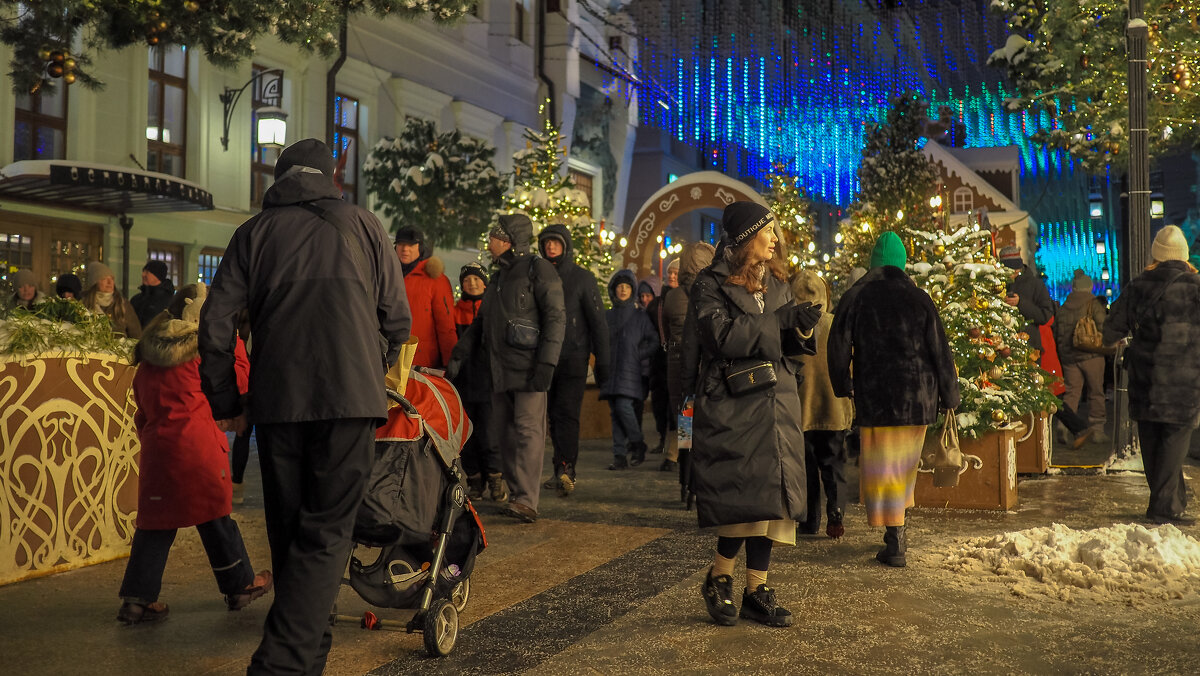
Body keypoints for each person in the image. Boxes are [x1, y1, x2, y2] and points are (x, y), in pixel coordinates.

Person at [198, 138, 411, 675]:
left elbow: (216, 325)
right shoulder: (365, 225)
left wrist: (226, 399)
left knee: (291, 532)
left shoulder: (253, 233)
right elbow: (396, 319)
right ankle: (281, 664)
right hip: (351, 402)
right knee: (326, 534)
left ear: (280, 179)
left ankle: (305, 661)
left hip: (278, 402)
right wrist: (370, 369)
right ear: (330, 177)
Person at [690, 201, 821, 628]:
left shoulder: (778, 282)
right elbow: (721, 336)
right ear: (746, 238)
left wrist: (801, 328)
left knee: (772, 503)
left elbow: (787, 346)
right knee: (743, 499)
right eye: (768, 231)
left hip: (777, 400)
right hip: (736, 403)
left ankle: (756, 590)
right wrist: (780, 321)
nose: (775, 239)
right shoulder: (709, 283)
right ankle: (719, 578)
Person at [117, 283, 272, 624]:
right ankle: (239, 586)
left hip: (158, 452)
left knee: (155, 525)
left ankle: (136, 601)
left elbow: (142, 409)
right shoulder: (205, 354)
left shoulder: (149, 359)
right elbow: (240, 383)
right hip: (199, 449)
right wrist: (236, 343)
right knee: (215, 517)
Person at [828, 232, 960, 568]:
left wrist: (843, 385)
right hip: (918, 397)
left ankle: (895, 538)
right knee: (903, 468)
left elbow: (838, 346)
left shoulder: (856, 297)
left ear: (873, 264)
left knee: (884, 470)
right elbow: (940, 349)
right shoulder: (919, 298)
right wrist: (949, 394)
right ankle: (897, 534)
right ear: (902, 265)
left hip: (877, 398)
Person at [447, 214, 565, 524]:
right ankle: (517, 495)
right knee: (505, 434)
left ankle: (526, 499)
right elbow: (481, 323)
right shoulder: (499, 278)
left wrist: (547, 362)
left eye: (494, 237)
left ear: (509, 240)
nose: (489, 242)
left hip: (529, 368)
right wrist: (460, 353)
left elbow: (555, 317)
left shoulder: (538, 269)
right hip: (499, 369)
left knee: (528, 431)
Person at [1102, 225, 1200, 526]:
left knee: (1152, 441)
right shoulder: (1196, 286)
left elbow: (1110, 331)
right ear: (1183, 254)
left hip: (1145, 379)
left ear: (1156, 253)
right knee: (1173, 443)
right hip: (1185, 382)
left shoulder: (1138, 285)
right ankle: (1164, 509)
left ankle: (1169, 503)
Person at [537, 224, 609, 495]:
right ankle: (560, 467)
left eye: (555, 242)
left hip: (573, 357)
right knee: (552, 416)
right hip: (545, 359)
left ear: (565, 245)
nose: (551, 246)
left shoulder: (582, 278)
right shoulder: (537, 276)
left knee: (566, 414)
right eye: (547, 242)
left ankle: (567, 467)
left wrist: (603, 361)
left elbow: (598, 322)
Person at [791, 270, 854, 539]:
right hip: (834, 408)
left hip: (800, 409)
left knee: (805, 467)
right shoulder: (835, 323)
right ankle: (836, 509)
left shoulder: (790, 326)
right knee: (833, 463)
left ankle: (809, 519)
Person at [453, 262, 508, 503]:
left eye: (476, 279)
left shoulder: (494, 310)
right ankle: (475, 479)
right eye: (467, 280)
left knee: (489, 433)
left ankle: (495, 478)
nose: (472, 284)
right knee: (467, 435)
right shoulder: (455, 311)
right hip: (463, 381)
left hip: (488, 382)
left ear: (485, 284)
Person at [664, 242, 716, 485]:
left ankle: (684, 477)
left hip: (676, 363)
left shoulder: (673, 296)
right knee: (704, 421)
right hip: (703, 364)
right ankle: (699, 480)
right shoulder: (711, 293)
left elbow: (665, 329)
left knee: (684, 418)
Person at [600, 269, 658, 471]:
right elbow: (598, 339)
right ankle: (619, 456)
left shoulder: (640, 317)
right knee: (616, 413)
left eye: (627, 286)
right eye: (620, 286)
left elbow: (654, 341)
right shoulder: (608, 316)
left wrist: (637, 354)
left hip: (630, 371)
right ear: (614, 290)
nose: (623, 290)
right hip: (611, 371)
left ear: (632, 290)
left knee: (624, 407)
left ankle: (637, 442)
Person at [1053, 269, 1109, 447]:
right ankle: (1097, 430)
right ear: (1089, 287)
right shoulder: (1094, 304)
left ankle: (1064, 424)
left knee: (1072, 392)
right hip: (1091, 354)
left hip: (1069, 358)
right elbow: (1103, 326)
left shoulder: (1063, 307)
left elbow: (1057, 333)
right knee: (1096, 392)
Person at [394, 226, 457, 368]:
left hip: (421, 363)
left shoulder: (435, 279)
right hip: (387, 358)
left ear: (420, 247)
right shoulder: (386, 274)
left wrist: (450, 363)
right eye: (401, 244)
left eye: (411, 245)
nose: (405, 249)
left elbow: (445, 326)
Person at [998, 245, 1054, 351]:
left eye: (1015, 270)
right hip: (1002, 347)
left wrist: (1020, 303)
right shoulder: (997, 284)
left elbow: (1045, 316)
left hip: (1030, 347)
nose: (1013, 273)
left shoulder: (1035, 284)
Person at [641, 274, 672, 459]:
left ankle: (682, 449)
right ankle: (669, 445)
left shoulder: (690, 298)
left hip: (682, 361)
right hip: (661, 362)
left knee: (683, 407)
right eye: (671, 273)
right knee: (661, 405)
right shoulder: (656, 306)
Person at [81, 261, 142, 338]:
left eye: (112, 279)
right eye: (104, 279)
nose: (109, 282)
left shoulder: (122, 304)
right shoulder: (84, 305)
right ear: (94, 282)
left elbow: (136, 335)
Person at [129, 260, 175, 329]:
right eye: (143, 271)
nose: (143, 275)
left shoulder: (169, 301)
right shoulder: (136, 299)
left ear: (157, 276)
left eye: (147, 272)